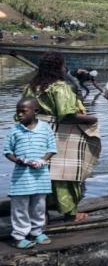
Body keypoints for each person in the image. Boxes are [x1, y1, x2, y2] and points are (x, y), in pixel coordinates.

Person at [23, 52, 98, 223]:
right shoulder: (59, 88)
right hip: (55, 134)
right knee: (64, 174)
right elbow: (66, 115)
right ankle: (70, 214)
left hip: (34, 135)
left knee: (39, 173)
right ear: (57, 68)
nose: (65, 68)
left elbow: (22, 111)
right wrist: (91, 119)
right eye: (63, 65)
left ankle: (42, 214)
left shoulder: (31, 87)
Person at [4, 97, 57, 249]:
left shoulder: (45, 128)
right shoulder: (15, 130)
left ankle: (37, 231)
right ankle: (20, 235)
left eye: (23, 111)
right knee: (19, 207)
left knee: (39, 205)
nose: (20, 115)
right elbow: (7, 151)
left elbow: (52, 148)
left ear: (36, 112)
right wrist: (17, 160)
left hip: (40, 176)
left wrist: (42, 160)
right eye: (18, 112)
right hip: (21, 178)